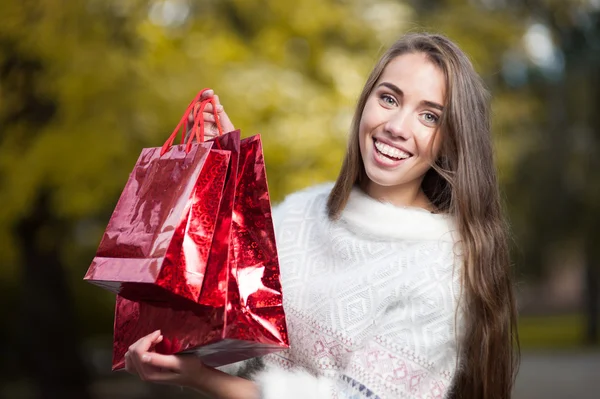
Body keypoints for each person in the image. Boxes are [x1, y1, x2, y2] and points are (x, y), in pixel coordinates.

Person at [124, 32, 520, 399]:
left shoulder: (439, 269)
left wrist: (201, 379)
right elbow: (230, 310)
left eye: (430, 116)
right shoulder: (302, 211)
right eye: (389, 98)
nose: (397, 126)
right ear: (365, 102)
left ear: (451, 140)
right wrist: (227, 177)